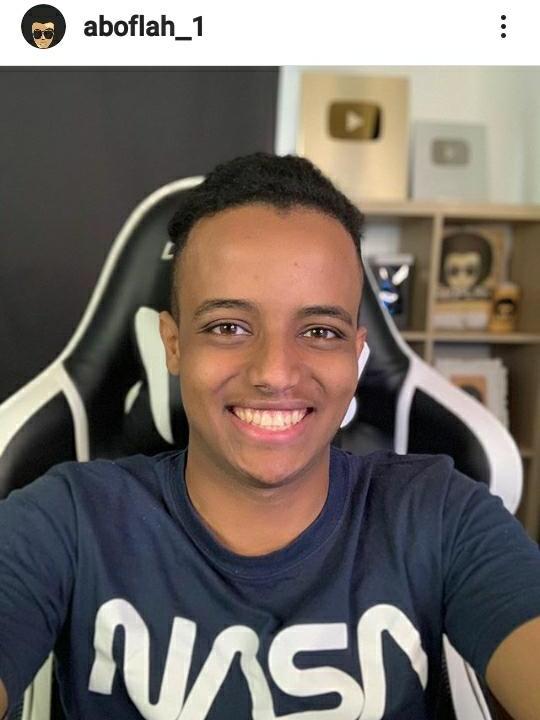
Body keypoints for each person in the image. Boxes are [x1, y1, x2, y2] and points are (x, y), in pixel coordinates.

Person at [0, 152, 539, 720]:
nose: (275, 373)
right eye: (229, 326)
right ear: (174, 344)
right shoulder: (65, 522)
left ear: (355, 356)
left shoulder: (441, 516)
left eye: (320, 331)